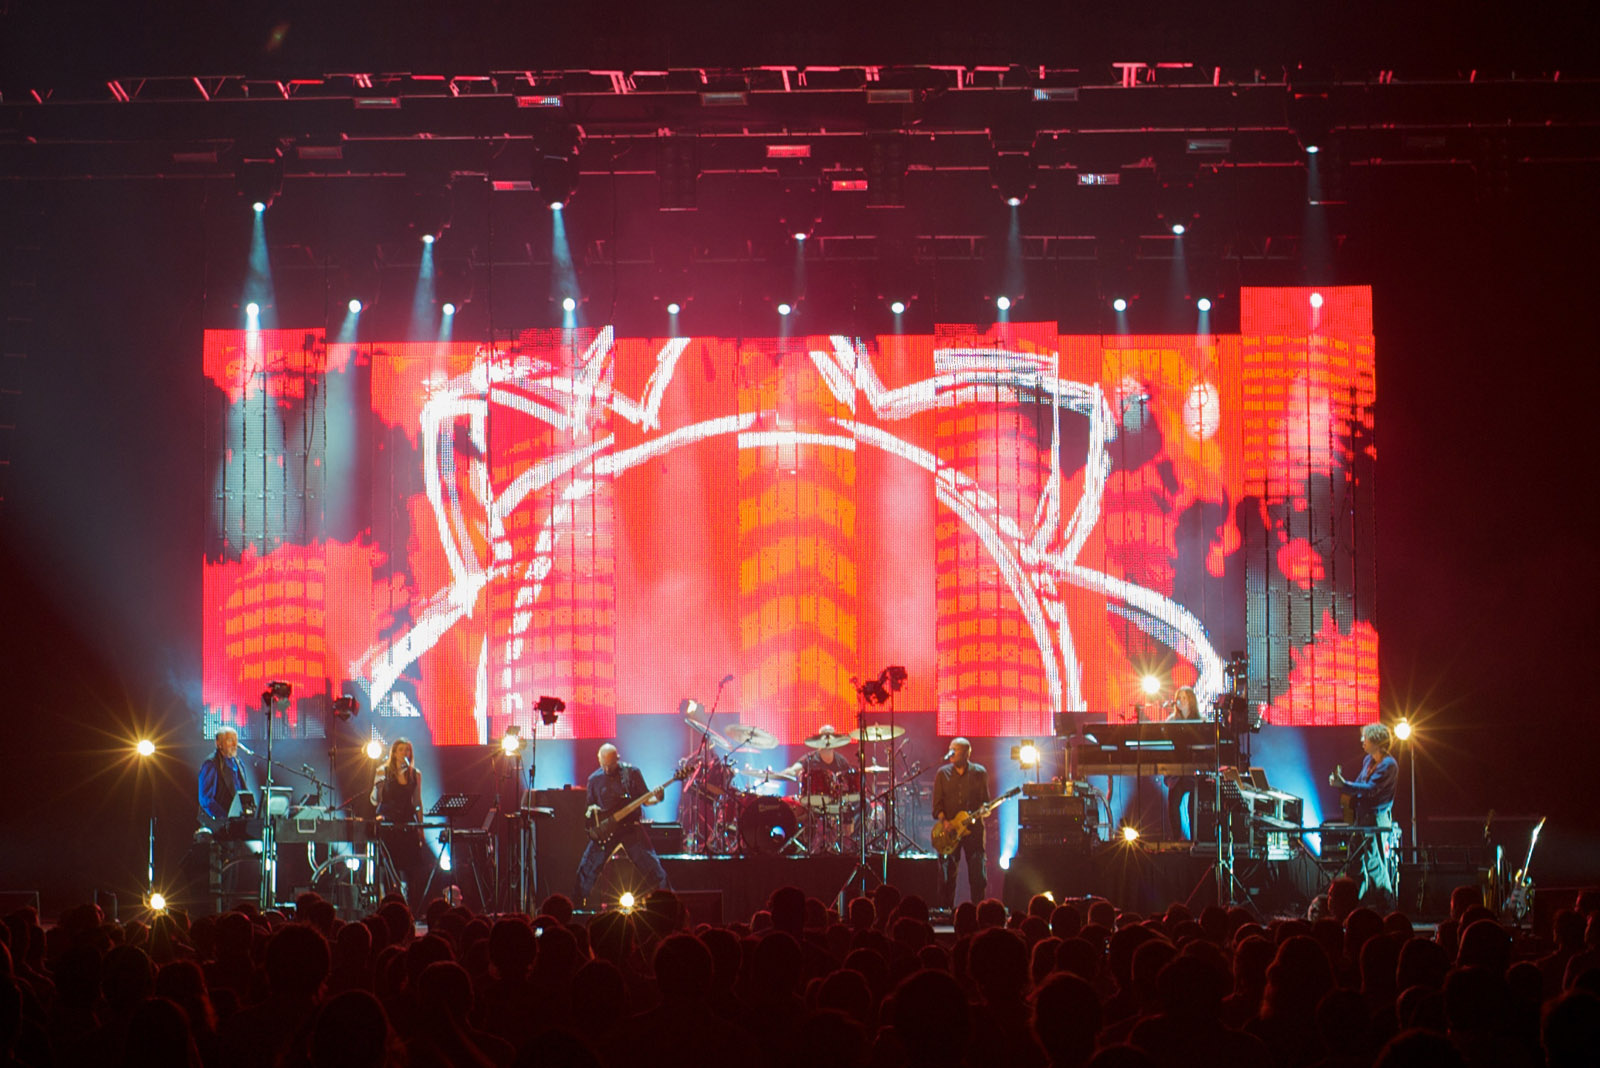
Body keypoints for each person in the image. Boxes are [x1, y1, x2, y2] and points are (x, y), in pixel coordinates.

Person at [575, 743, 671, 904]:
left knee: (654, 869)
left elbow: (647, 800)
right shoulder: (594, 779)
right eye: (603, 764)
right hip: (607, 832)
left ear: (617, 759)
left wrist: (659, 797)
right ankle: (576, 907)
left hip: (630, 829)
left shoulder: (632, 773)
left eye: (610, 764)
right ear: (598, 760)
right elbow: (589, 808)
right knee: (586, 870)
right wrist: (591, 810)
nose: (606, 768)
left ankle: (669, 903)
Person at [1329, 723, 1400, 908]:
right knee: (1355, 862)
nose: (1362, 741)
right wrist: (1343, 784)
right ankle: (1353, 904)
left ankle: (1386, 905)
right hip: (1362, 818)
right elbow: (1361, 784)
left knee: (1374, 863)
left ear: (1376, 741)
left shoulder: (1389, 765)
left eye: (1365, 738)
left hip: (1375, 819)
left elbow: (1370, 790)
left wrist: (1344, 785)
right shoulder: (1369, 761)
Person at [371, 738, 433, 909]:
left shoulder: (415, 774)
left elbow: (417, 801)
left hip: (407, 824)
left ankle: (409, 906)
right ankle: (387, 903)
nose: (404, 753)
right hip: (389, 824)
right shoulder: (383, 771)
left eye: (407, 750)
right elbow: (375, 800)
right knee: (390, 867)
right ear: (394, 753)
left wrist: (420, 827)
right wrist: (378, 787)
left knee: (411, 868)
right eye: (401, 750)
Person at [932, 737, 990, 909]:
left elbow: (985, 802)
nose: (950, 753)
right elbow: (937, 805)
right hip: (950, 832)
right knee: (948, 875)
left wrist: (985, 810)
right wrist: (945, 822)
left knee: (977, 876)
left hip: (974, 832)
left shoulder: (979, 772)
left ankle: (979, 911)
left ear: (966, 753)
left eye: (955, 750)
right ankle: (946, 911)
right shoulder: (942, 773)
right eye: (950, 749)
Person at [197, 727, 250, 822]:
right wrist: (226, 818)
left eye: (236, 740)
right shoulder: (211, 764)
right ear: (219, 744)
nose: (235, 744)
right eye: (230, 740)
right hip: (219, 825)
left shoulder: (239, 763)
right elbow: (206, 800)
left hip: (237, 821)